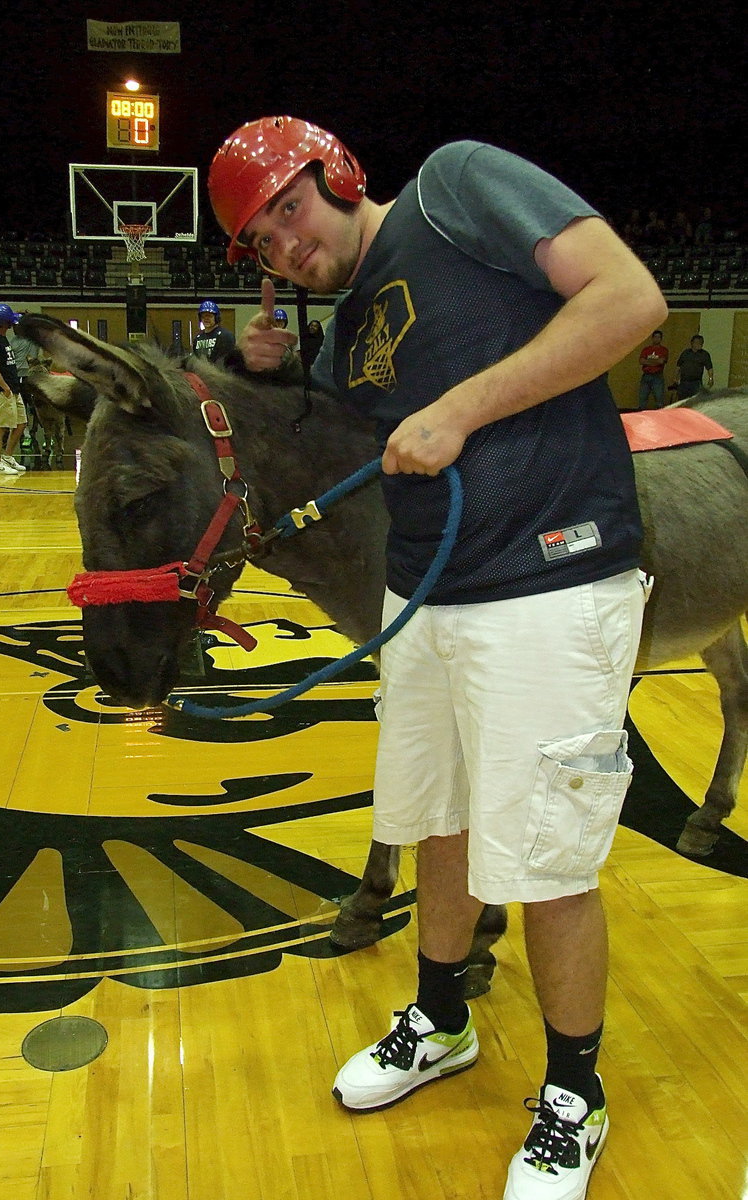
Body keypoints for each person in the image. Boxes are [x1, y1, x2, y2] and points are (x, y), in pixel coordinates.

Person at [208, 116, 667, 1200]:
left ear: (337, 174)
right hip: (424, 595)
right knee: (438, 821)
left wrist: (457, 411)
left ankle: (571, 1095)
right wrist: (260, 369)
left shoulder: (455, 189)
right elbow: (349, 434)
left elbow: (626, 299)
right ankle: (442, 1018)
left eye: (288, 207)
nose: (286, 244)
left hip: (551, 582)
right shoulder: (343, 328)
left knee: (546, 859)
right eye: (262, 244)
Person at [0, 303, 27, 475]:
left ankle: (7, 457)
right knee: (1, 426)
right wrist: (5, 387)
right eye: (10, 320)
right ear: (4, 322)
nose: (12, 323)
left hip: (13, 390)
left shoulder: (3, 339)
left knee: (21, 424)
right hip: (3, 391)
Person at [11, 313, 42, 448]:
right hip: (17, 376)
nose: (15, 328)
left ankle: (46, 432)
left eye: (17, 325)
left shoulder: (33, 339)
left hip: (30, 376)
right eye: (13, 326)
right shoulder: (13, 341)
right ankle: (26, 433)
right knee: (21, 406)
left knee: (37, 406)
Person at [674, 334, 714, 400]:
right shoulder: (685, 353)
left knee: (695, 401)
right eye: (697, 342)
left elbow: (709, 368)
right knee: (682, 401)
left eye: (701, 342)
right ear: (692, 343)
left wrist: (710, 378)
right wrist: (676, 378)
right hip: (684, 382)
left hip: (696, 383)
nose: (699, 344)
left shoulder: (704, 354)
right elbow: (678, 366)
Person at [636, 329, 669, 409]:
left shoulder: (664, 350)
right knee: (642, 399)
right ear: (652, 338)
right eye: (655, 337)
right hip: (646, 376)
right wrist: (655, 362)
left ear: (661, 339)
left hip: (657, 376)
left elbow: (661, 361)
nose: (656, 339)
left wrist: (648, 362)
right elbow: (641, 361)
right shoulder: (646, 349)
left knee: (659, 400)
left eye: (658, 337)